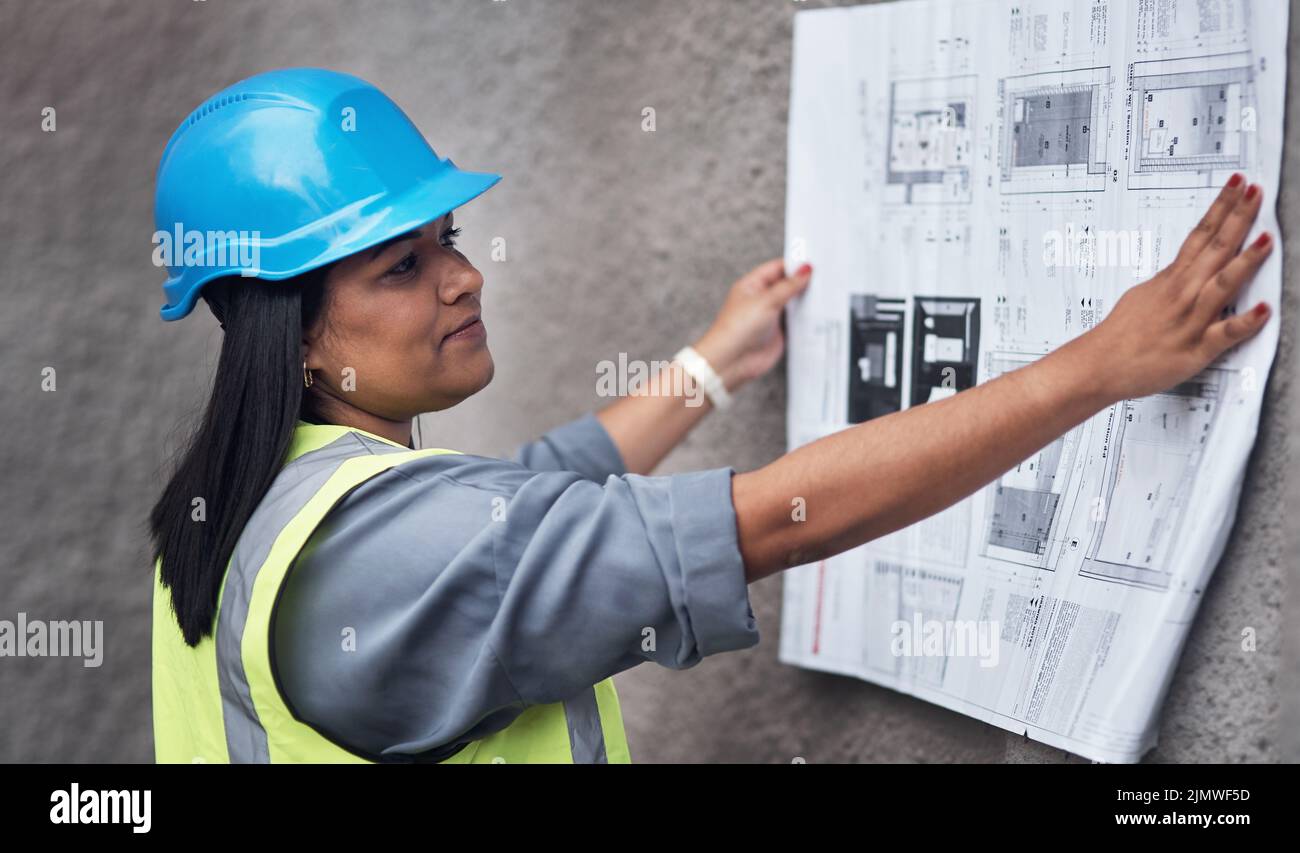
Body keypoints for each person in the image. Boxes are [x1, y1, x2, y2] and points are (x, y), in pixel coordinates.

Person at [149, 68, 1273, 764]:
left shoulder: (243, 509)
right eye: (403, 265)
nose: (463, 278)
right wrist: (1093, 366)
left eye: (448, 240)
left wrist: (708, 364)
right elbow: (769, 522)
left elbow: (534, 502)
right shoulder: (381, 549)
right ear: (292, 332)